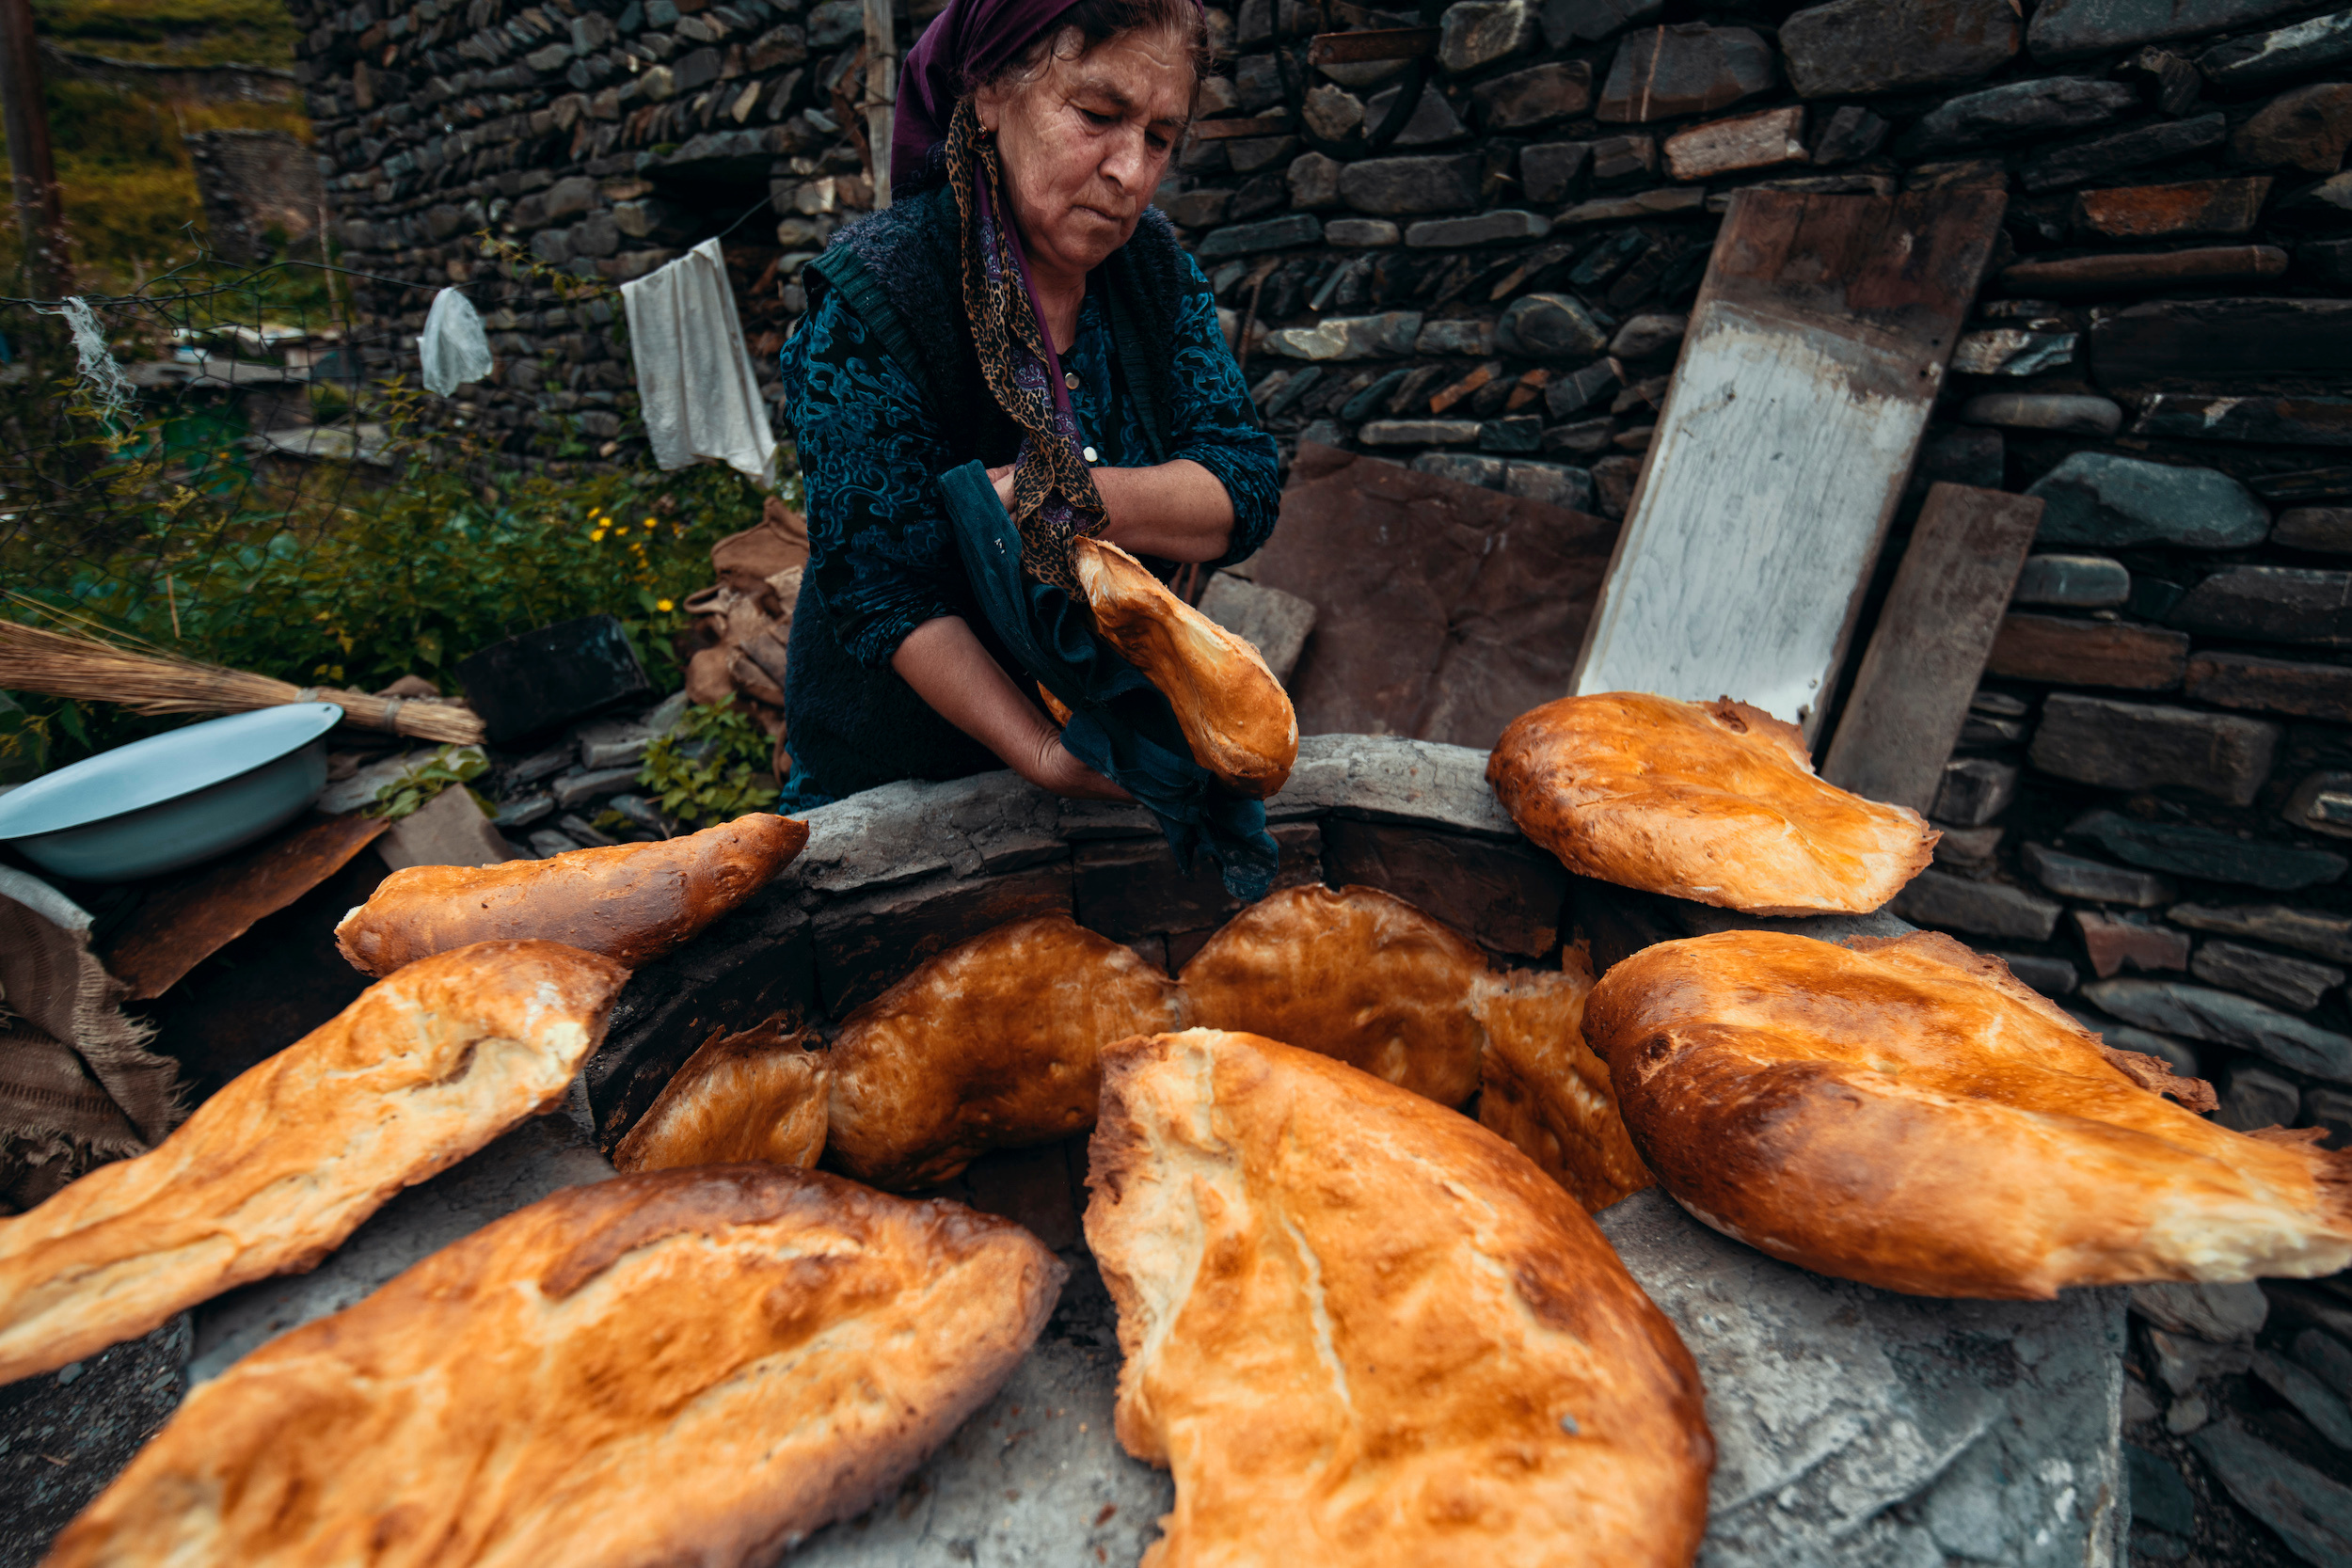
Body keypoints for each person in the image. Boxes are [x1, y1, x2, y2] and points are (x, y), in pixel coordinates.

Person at [776, 0, 1279, 808]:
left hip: (1110, 753)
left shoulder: (1151, 275)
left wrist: (1073, 499)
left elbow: (1242, 484)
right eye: (1098, 114)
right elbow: (884, 592)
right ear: (988, 92)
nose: (1129, 172)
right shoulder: (881, 296)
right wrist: (1043, 751)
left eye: (1159, 138)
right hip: (897, 787)